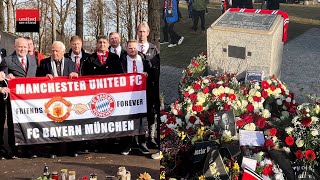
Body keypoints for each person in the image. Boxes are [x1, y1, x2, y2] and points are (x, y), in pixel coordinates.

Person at [0, 37, 38, 159]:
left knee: (30, 124)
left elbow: (37, 76)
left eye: (25, 47)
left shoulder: (33, 60)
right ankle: (14, 150)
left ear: (28, 48)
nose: (22, 49)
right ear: (15, 47)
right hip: (14, 101)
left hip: (29, 101)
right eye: (20, 47)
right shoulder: (7, 60)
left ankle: (29, 150)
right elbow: (2, 79)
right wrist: (6, 76)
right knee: (13, 125)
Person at [119, 39, 151, 156]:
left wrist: (147, 74)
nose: (132, 50)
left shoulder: (144, 60)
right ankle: (127, 145)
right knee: (127, 120)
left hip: (141, 95)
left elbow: (151, 73)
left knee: (142, 119)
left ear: (138, 48)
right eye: (130, 48)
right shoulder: (121, 61)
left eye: (134, 48)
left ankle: (142, 143)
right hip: (126, 96)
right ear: (126, 49)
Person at [137, 22, 160, 149]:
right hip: (136, 89)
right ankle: (139, 138)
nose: (141, 34)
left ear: (148, 33)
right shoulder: (132, 49)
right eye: (139, 31)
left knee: (151, 113)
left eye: (144, 31)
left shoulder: (154, 49)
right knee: (139, 113)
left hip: (151, 87)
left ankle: (151, 137)